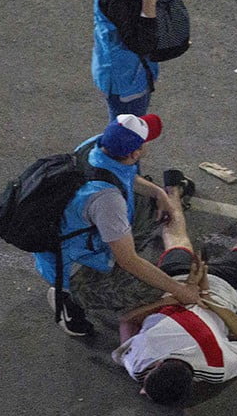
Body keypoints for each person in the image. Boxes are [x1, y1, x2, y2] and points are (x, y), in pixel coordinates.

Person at [113, 177, 237, 405]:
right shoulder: (138, 363)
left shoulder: (218, 368)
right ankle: (173, 188)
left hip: (219, 290)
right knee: (177, 242)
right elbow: (127, 321)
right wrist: (180, 297)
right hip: (173, 283)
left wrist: (207, 302)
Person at [33, 113, 206, 336]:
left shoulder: (96, 145)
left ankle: (125, 241)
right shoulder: (107, 200)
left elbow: (123, 177)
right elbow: (128, 261)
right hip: (71, 262)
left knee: (150, 205)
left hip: (75, 232)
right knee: (152, 288)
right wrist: (180, 291)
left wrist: (158, 193)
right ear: (135, 154)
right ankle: (71, 297)